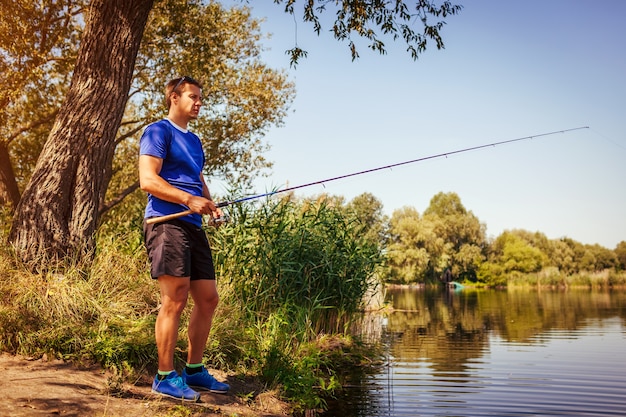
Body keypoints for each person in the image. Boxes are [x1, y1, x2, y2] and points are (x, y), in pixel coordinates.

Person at [139, 76, 229, 402]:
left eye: (200, 98)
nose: (199, 102)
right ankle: (164, 376)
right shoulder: (157, 131)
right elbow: (147, 180)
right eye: (193, 96)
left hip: (193, 224)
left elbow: (197, 179)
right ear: (174, 97)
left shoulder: (195, 141)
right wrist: (188, 200)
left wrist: (211, 206)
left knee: (207, 298)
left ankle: (194, 370)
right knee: (174, 299)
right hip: (166, 222)